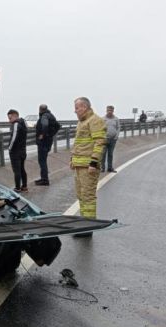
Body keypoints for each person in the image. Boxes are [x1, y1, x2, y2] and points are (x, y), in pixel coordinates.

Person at [70, 97, 106, 236]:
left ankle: (88, 228)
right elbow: (78, 143)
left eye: (77, 108)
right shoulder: (82, 122)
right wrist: (72, 158)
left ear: (84, 107)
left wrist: (94, 162)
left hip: (88, 166)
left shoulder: (95, 120)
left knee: (88, 197)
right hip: (79, 165)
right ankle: (84, 223)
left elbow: (99, 143)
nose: (75, 111)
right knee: (81, 195)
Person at [34, 104, 59, 185]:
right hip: (48, 141)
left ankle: (44, 180)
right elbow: (58, 126)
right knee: (43, 160)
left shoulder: (44, 116)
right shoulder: (51, 115)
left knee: (42, 161)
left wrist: (43, 135)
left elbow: (45, 125)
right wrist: (51, 134)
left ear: (40, 109)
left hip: (43, 142)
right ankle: (43, 178)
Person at [7, 109, 27, 192]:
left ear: (15, 116)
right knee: (22, 169)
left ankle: (17, 188)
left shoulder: (16, 124)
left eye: (10, 118)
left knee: (16, 170)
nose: (9, 120)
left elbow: (14, 138)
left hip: (16, 152)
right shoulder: (23, 123)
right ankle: (24, 186)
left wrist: (9, 148)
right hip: (23, 150)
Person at [101, 105, 120, 173]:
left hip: (113, 139)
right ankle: (102, 168)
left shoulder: (116, 119)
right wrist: (102, 136)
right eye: (108, 110)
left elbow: (118, 128)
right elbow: (100, 129)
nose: (109, 111)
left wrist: (116, 136)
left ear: (113, 111)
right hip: (104, 139)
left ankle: (110, 168)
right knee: (103, 154)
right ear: (106, 110)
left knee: (110, 154)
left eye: (111, 110)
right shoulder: (103, 119)